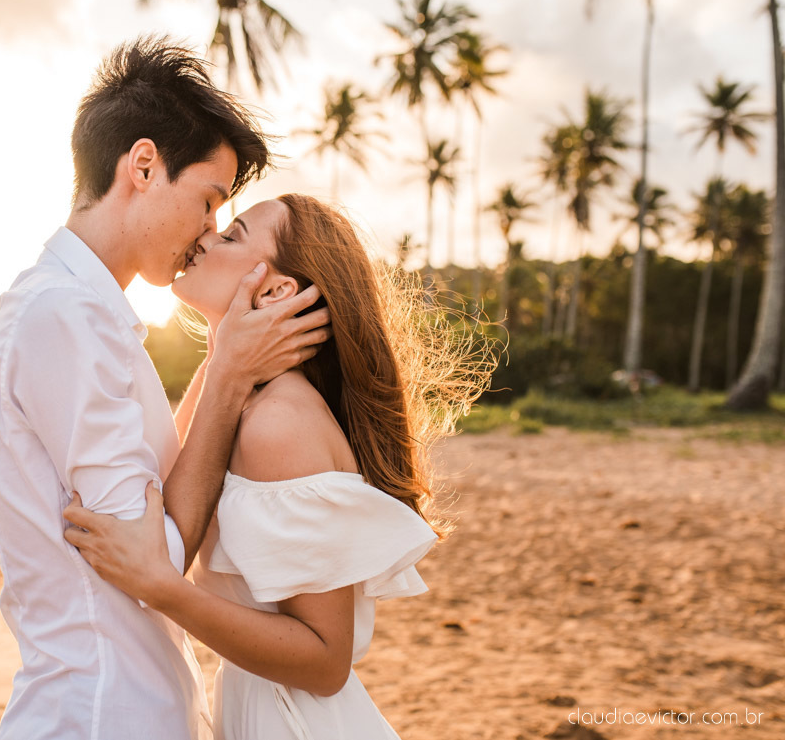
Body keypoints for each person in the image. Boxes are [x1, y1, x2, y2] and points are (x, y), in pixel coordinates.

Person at [0, 39, 332, 740]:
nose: (205, 230)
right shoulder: (65, 314)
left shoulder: (85, 312)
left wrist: (222, 361)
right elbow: (156, 560)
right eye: (207, 200)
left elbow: (157, 503)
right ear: (143, 165)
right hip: (99, 714)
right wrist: (226, 374)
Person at [64, 194, 492, 740]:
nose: (206, 235)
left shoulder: (280, 424)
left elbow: (325, 660)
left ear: (276, 290)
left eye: (233, 234)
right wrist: (226, 357)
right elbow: (171, 491)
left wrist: (163, 587)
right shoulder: (238, 397)